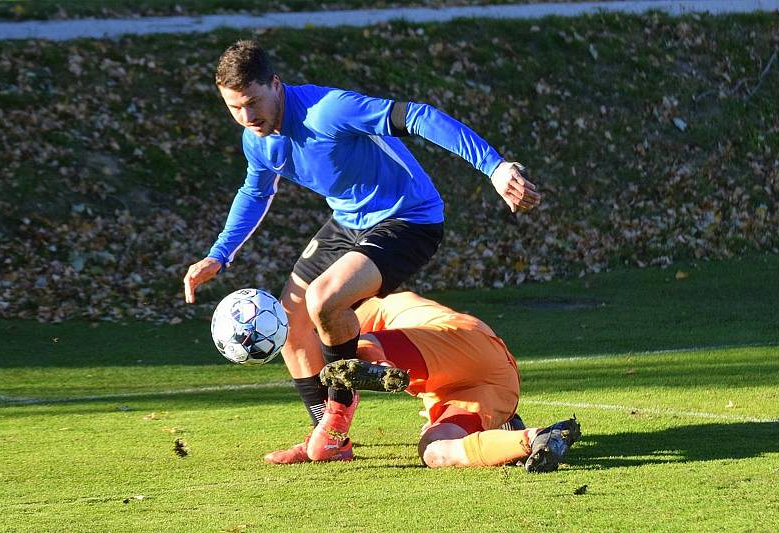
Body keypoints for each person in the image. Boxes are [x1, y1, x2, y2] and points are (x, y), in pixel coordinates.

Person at [183, 40, 542, 461]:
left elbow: (419, 115)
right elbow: (255, 192)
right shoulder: (256, 140)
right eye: (234, 108)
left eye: (252, 102)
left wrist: (495, 166)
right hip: (349, 222)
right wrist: (219, 254)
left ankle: (338, 414)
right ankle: (331, 439)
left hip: (410, 219)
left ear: (276, 85)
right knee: (290, 323)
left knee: (325, 300)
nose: (247, 117)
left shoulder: (329, 111)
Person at [266, 291, 582, 472]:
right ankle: (536, 438)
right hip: (487, 386)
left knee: (356, 347)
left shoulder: (377, 307)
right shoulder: (382, 305)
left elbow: (345, 342)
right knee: (434, 451)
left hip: (460, 343)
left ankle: (378, 366)